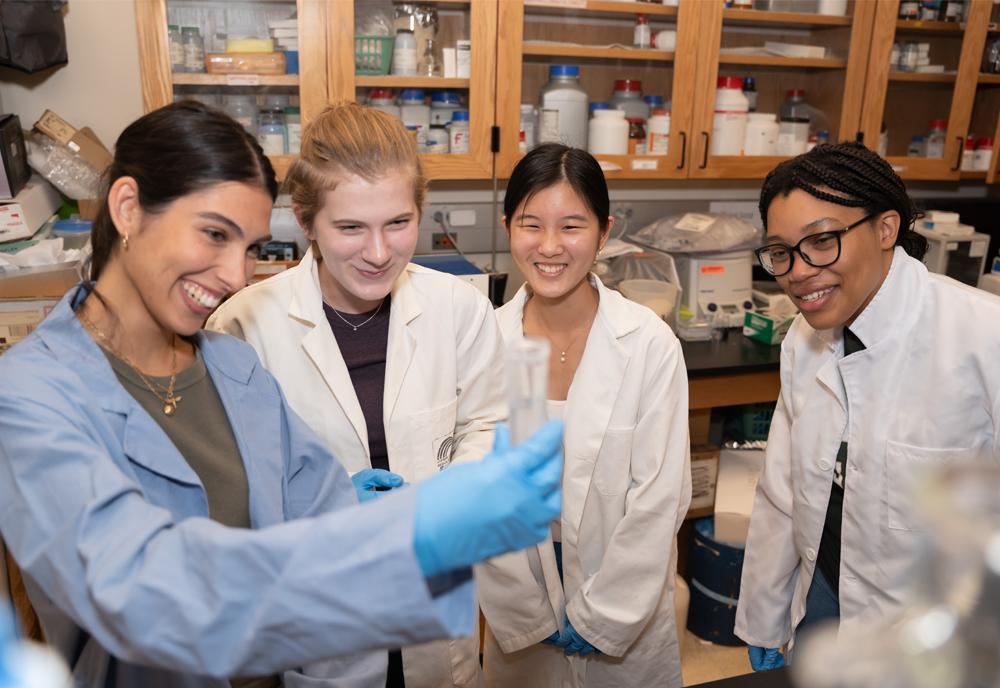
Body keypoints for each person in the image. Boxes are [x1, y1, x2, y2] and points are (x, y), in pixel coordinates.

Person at [0, 101, 565, 688]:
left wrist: (385, 517)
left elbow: (321, 516)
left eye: (248, 247)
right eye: (214, 234)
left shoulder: (228, 365)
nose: (236, 277)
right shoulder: (30, 396)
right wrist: (424, 527)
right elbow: (143, 592)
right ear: (127, 208)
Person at [207, 102, 504, 688]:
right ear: (305, 219)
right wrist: (325, 511)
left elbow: (489, 426)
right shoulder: (243, 328)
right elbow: (226, 493)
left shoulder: (460, 310)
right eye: (350, 228)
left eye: (398, 223)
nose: (377, 253)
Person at [734, 141, 1000, 668]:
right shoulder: (802, 342)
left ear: (886, 228)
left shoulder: (982, 336)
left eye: (823, 240)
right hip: (826, 599)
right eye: (782, 252)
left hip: (939, 633)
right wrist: (764, 611)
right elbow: (782, 491)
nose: (799, 271)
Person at [475, 144, 692, 687]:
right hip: (519, 596)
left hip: (624, 596)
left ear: (604, 232)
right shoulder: (481, 345)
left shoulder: (648, 344)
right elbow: (478, 494)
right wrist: (525, 612)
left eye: (572, 225)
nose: (550, 247)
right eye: (531, 225)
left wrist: (606, 617)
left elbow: (660, 498)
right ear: (508, 228)